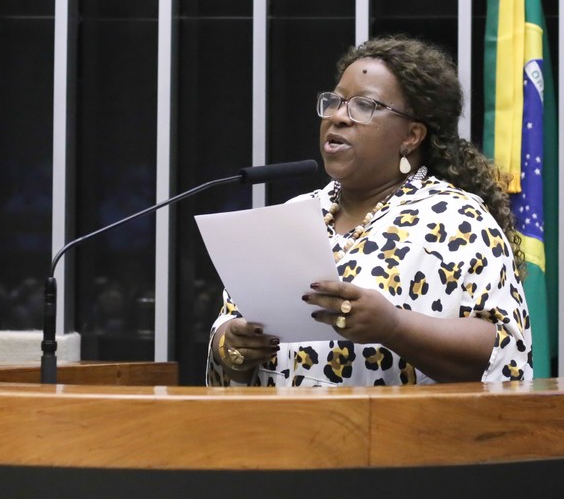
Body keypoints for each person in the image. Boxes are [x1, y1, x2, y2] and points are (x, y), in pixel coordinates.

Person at [206, 35, 532, 387]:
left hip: (397, 437)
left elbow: (503, 349)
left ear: (412, 135)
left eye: (364, 106)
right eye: (335, 102)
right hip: (283, 435)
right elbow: (231, 331)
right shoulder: (293, 216)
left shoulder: (458, 218)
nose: (339, 117)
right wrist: (232, 347)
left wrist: (392, 326)